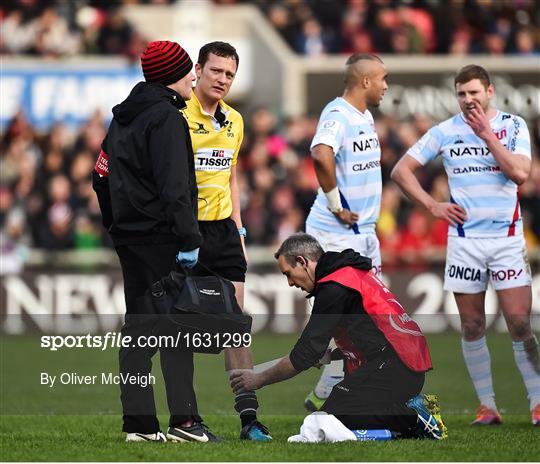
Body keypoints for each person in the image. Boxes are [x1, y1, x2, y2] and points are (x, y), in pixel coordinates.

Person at [391, 64, 540, 426]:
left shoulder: (512, 125)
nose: (468, 99)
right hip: (464, 242)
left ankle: (537, 402)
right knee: (472, 325)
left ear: (489, 92)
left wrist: (487, 134)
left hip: (506, 240)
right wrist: (432, 205)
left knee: (519, 323)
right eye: (461, 93)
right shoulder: (444, 132)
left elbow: (520, 174)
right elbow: (400, 171)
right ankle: (487, 406)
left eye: (474, 92)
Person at [92, 40, 220, 442]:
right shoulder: (166, 117)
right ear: (172, 76)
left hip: (131, 240)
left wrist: (118, 225)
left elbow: (100, 176)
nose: (195, 75)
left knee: (149, 329)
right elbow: (175, 187)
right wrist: (188, 239)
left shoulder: (122, 119)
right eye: (189, 70)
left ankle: (152, 424)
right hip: (162, 241)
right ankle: (172, 425)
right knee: (163, 331)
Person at [230, 233, 447, 440]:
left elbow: (304, 353)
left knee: (331, 421)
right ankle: (409, 417)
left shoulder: (333, 287)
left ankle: (411, 417)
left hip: (394, 367)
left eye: (288, 273)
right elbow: (369, 333)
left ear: (303, 261)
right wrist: (331, 354)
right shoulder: (348, 274)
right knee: (331, 421)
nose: (289, 283)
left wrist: (258, 379)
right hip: (400, 365)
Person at [181, 41, 271, 441]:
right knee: (179, 323)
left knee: (236, 324)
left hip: (223, 232)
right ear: (198, 70)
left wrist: (238, 227)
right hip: (183, 231)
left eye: (230, 74)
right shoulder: (176, 116)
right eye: (216, 71)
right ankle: (184, 418)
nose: (222, 79)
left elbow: (231, 173)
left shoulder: (234, 120)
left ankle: (249, 419)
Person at [303, 53, 388, 411]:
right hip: (337, 232)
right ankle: (346, 389)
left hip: (362, 232)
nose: (386, 86)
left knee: (367, 316)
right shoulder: (338, 114)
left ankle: (333, 384)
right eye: (383, 78)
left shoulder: (365, 117)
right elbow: (321, 153)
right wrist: (336, 204)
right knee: (357, 316)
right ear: (365, 81)